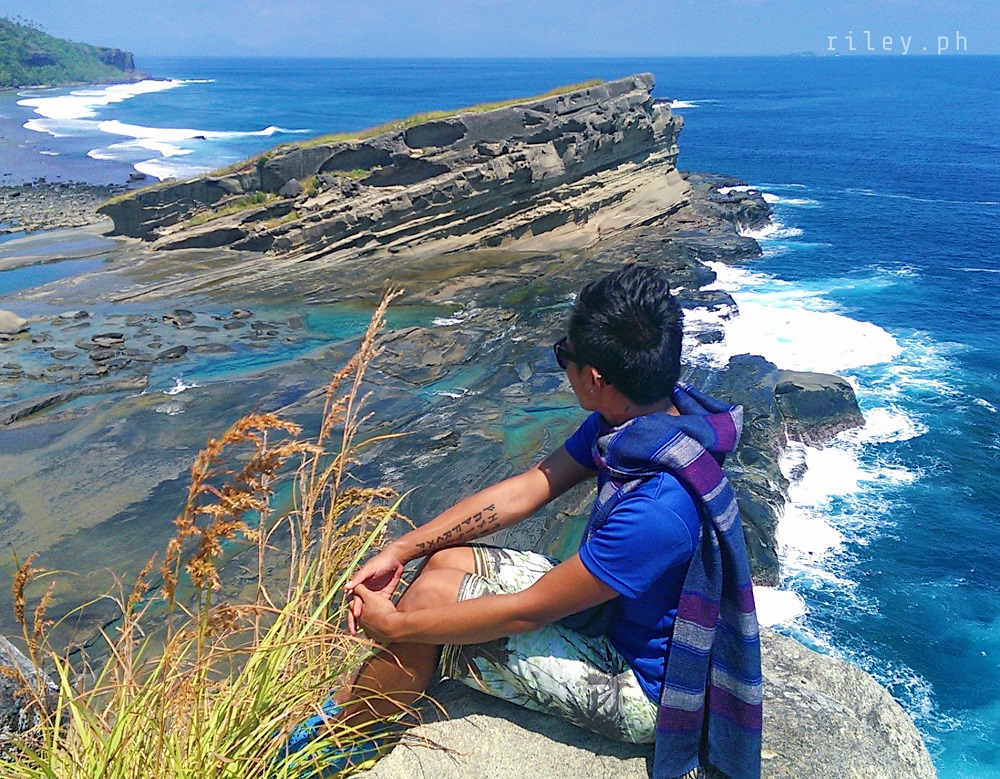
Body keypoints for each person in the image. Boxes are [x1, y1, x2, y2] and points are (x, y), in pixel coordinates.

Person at [282, 264, 762, 779]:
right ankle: (360, 703)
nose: (564, 366)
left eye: (565, 357)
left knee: (428, 606)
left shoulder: (659, 506)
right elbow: (531, 486)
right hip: (614, 614)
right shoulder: (641, 424)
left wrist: (393, 623)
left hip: (641, 687)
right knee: (444, 562)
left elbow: (525, 612)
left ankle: (341, 746)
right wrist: (404, 549)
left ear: (596, 379)